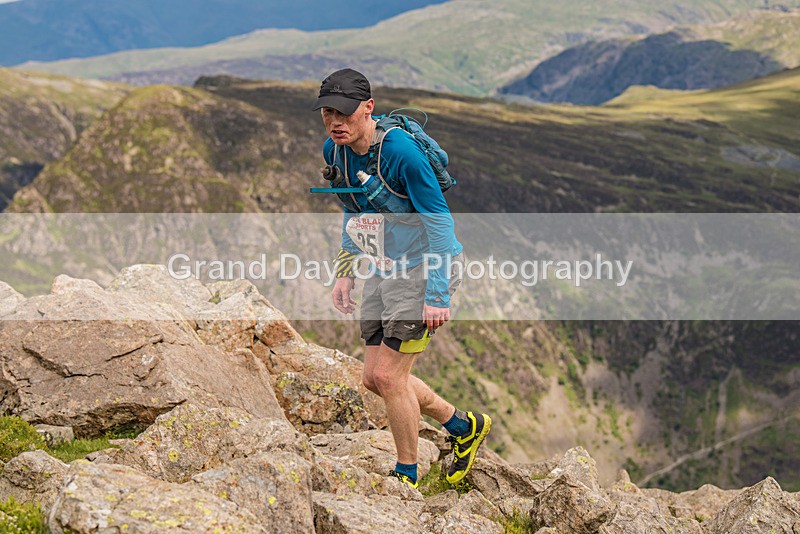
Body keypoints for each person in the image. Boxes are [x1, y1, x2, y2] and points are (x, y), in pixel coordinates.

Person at [312, 68, 492, 489]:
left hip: (424, 270)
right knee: (374, 379)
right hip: (383, 267)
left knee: (392, 378)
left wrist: (437, 293)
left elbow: (440, 225)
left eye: (344, 111)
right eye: (327, 112)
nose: (335, 121)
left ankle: (406, 477)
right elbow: (353, 211)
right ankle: (464, 428)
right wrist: (345, 271)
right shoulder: (333, 150)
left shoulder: (402, 155)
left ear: (368, 108)